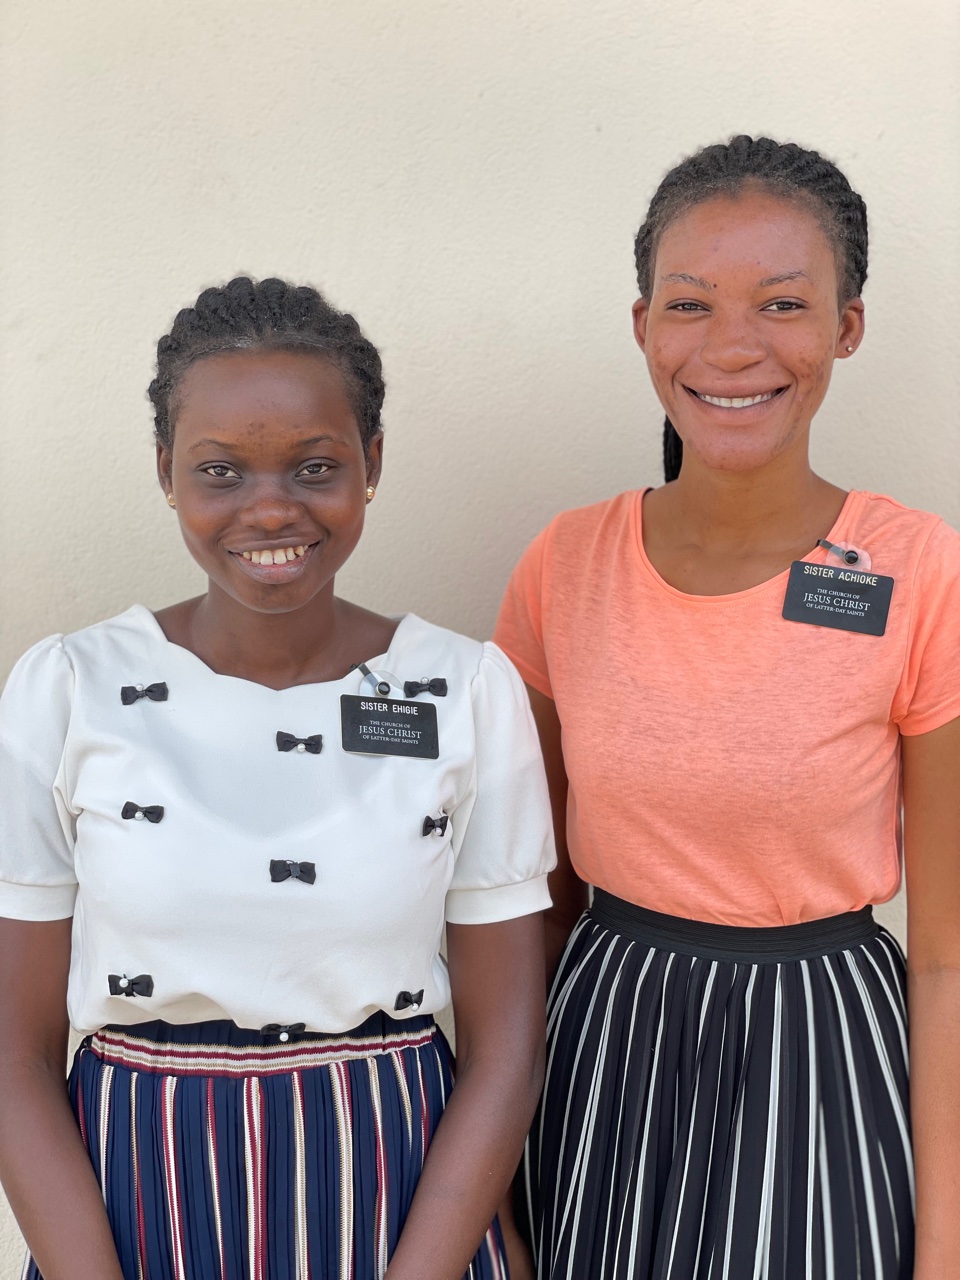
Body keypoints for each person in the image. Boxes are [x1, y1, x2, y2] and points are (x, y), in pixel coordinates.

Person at [0, 276, 555, 1280]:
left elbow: (505, 1050)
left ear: (371, 463)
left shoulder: (465, 689)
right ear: (166, 470)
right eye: (220, 469)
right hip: (137, 1201)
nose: (269, 507)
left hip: (396, 1194)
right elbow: (12, 1056)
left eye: (315, 466)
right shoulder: (70, 689)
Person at [494, 136, 960, 1279]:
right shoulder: (565, 563)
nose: (734, 346)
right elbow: (525, 904)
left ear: (847, 325)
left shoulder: (922, 571)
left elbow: (948, 957)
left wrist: (947, 1246)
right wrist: (499, 1181)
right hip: (609, 1043)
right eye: (691, 303)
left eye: (784, 303)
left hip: (825, 1046)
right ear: (643, 325)